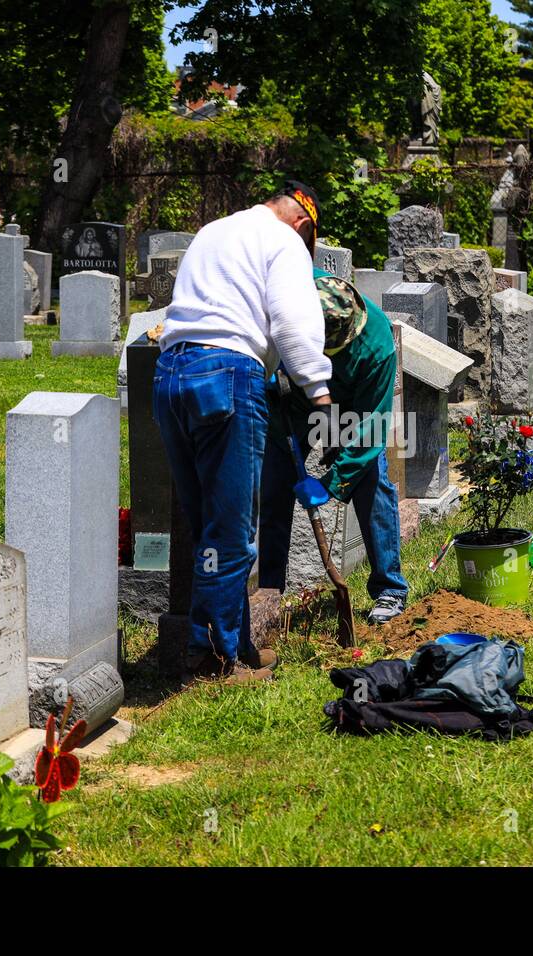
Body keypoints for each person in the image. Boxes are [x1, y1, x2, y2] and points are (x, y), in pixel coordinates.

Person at [154, 181, 332, 683]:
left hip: (170, 376)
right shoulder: (284, 242)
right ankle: (210, 659)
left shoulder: (214, 230)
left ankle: (231, 640)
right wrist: (318, 390)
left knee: (205, 522)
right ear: (303, 224)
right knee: (231, 532)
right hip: (227, 377)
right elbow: (294, 323)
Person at [259, 270, 408, 624]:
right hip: (292, 397)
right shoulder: (291, 285)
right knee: (274, 488)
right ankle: (268, 595)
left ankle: (390, 587)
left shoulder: (376, 348)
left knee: (371, 483)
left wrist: (330, 484)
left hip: (350, 405)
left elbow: (370, 431)